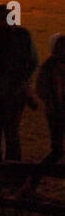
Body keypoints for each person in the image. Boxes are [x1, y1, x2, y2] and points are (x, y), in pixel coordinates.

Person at [0, 4, 39, 161]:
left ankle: (12, 164)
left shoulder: (22, 35)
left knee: (11, 128)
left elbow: (32, 62)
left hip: (14, 90)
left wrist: (21, 83)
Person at [34, 33, 65, 167]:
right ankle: (33, 179)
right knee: (57, 151)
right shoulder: (49, 66)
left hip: (57, 111)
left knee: (57, 151)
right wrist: (51, 103)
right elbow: (41, 88)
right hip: (56, 113)